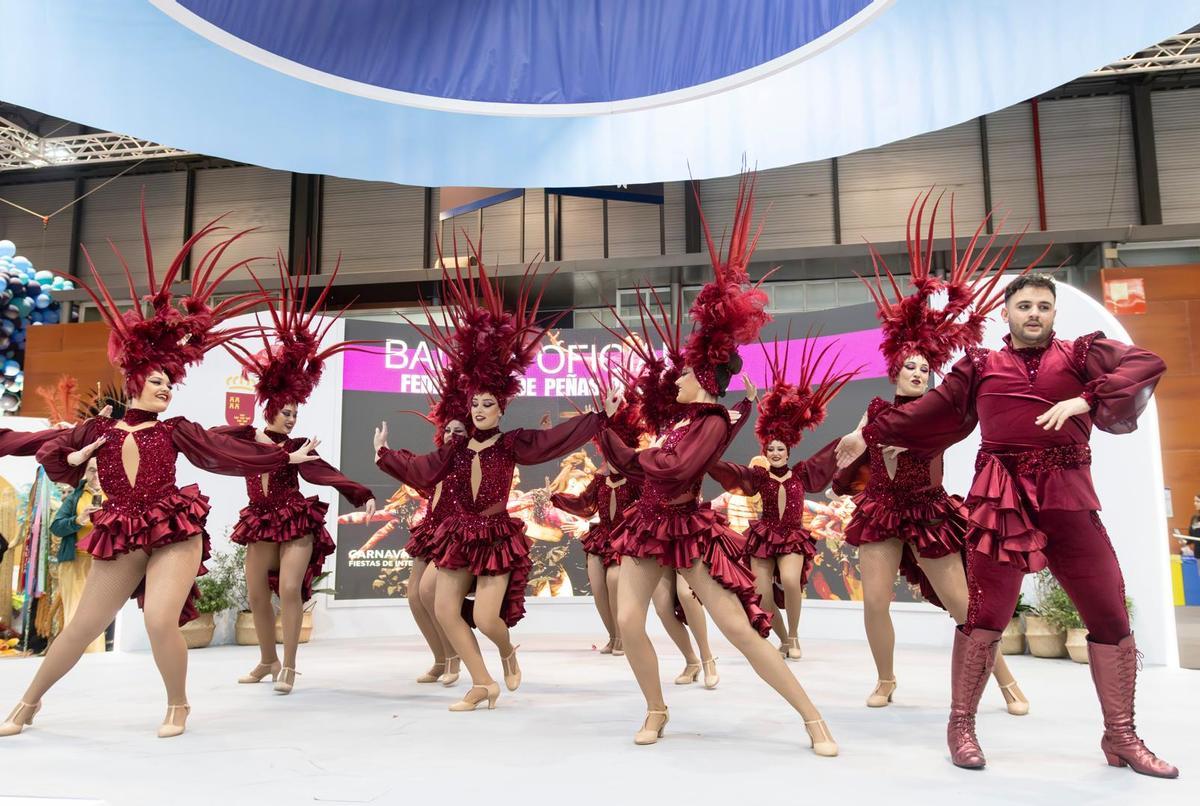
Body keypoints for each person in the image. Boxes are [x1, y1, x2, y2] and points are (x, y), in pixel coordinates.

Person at [835, 271, 1176, 778]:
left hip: (1068, 500)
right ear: (1007, 314)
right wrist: (868, 431)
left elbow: (1148, 362)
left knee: (1110, 615)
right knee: (984, 616)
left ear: (1054, 313)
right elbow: (930, 411)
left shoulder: (1083, 356)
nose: (1034, 313)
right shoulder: (980, 366)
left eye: (1043, 305)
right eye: (1024, 306)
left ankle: (1121, 736)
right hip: (1002, 504)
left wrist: (1087, 397)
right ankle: (962, 726)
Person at [1, 209, 319, 739]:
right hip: (122, 529)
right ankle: (28, 703)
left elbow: (226, 452)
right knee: (81, 626)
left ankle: (178, 705)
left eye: (170, 381)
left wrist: (283, 458)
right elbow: (40, 450)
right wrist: (75, 461)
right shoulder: (94, 429)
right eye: (157, 380)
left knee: (156, 620)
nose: (167, 387)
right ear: (132, 382)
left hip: (174, 531)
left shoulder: (173, 430)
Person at [599, 172, 838, 755]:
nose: (673, 377)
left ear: (702, 379)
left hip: (687, 530)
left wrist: (622, 442)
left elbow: (669, 471)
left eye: (682, 371)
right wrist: (613, 428)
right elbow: (639, 469)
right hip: (645, 528)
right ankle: (656, 709)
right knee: (630, 620)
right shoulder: (685, 420)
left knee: (738, 630)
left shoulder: (709, 424)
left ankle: (812, 717)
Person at [374, 235, 611, 711]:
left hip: (496, 534)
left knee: (485, 618)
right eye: (475, 403)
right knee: (442, 606)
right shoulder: (457, 445)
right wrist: (384, 455)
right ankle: (482, 682)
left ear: (501, 406)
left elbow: (554, 442)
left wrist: (596, 418)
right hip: (458, 534)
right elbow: (423, 470)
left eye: (489, 403)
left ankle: (505, 650)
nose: (481, 409)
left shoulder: (513, 440)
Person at [831, 193, 1028, 715]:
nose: (917, 374)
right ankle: (886, 678)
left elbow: (957, 429)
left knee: (962, 604)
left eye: (924, 369)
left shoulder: (942, 410)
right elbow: (853, 445)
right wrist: (852, 449)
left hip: (926, 511)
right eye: (909, 368)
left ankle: (1005, 680)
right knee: (873, 602)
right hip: (880, 510)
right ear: (894, 371)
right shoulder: (875, 408)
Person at [218, 256, 377, 695]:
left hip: (293, 519)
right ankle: (267, 660)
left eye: (294, 413)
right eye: (284, 412)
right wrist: (246, 431)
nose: (290, 419)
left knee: (289, 589)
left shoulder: (297, 447)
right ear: (269, 408)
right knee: (254, 597)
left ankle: (288, 665)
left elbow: (326, 473)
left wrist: (360, 494)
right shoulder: (250, 439)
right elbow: (215, 438)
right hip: (259, 519)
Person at [708, 333, 855, 660]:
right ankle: (785, 637)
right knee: (760, 593)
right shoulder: (759, 475)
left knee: (790, 580)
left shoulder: (802, 472)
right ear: (765, 450)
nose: (775, 453)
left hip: (791, 536)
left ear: (788, 449)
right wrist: (705, 453)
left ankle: (796, 635)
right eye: (770, 449)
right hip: (764, 536)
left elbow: (832, 454)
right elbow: (730, 472)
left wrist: (859, 436)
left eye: (780, 449)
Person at [48, 458, 107, 654]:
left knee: (97, 616)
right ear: (85, 473)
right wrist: (79, 520)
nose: (96, 475)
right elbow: (56, 527)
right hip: (74, 563)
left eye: (100, 470)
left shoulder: (115, 496)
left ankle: (95, 661)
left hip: (102, 564)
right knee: (75, 615)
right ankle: (71, 659)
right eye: (91, 470)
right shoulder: (75, 497)